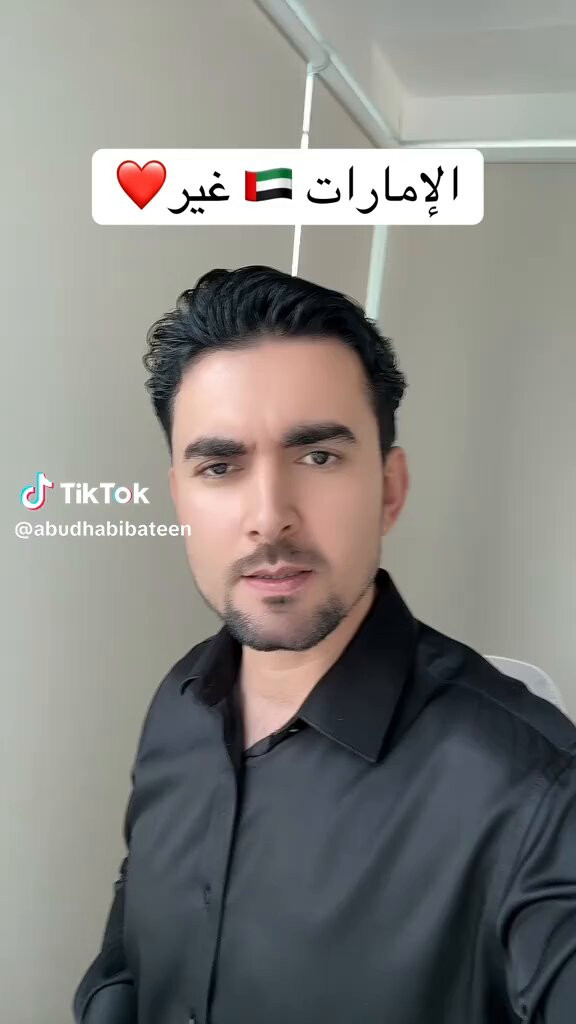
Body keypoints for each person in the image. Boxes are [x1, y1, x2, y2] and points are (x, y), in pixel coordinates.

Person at [72, 265, 576, 1024]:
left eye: (317, 457)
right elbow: (129, 955)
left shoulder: (536, 788)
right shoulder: (179, 703)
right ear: (180, 498)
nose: (269, 516)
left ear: (389, 490)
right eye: (220, 467)